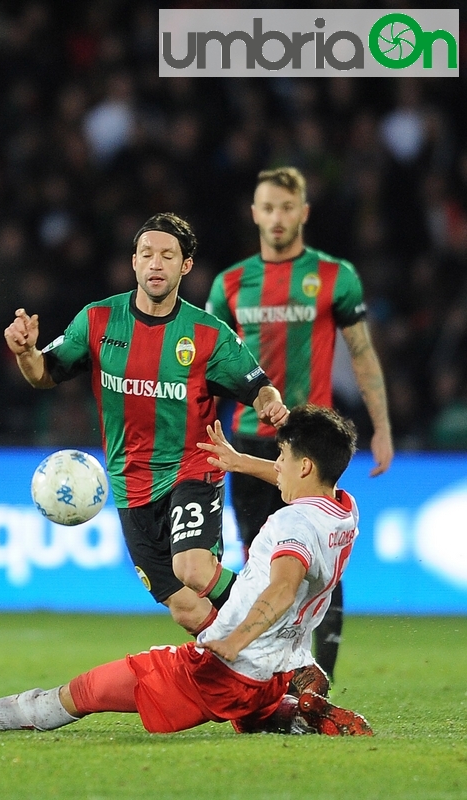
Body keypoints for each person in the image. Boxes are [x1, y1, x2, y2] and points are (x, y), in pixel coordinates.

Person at [0, 404, 372, 737]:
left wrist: (231, 642)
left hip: (228, 668)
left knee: (86, 692)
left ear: (306, 466)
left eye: (282, 456)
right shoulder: (342, 511)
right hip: (273, 671)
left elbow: (281, 590)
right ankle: (299, 713)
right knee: (252, 711)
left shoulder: (291, 523)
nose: (276, 465)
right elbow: (295, 484)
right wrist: (239, 462)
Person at [4, 213, 288, 637]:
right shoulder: (98, 321)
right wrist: (26, 352)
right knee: (187, 609)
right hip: (128, 481)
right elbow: (45, 373)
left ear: (185, 266)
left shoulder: (209, 335)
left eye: (168, 256)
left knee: (193, 568)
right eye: (147, 255)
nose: (156, 264)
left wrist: (271, 404)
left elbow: (260, 386)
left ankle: (284, 625)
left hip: (192, 468)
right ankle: (258, 666)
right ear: (134, 262)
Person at [206, 167, 393, 681]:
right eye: (268, 208)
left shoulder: (335, 276)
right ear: (254, 214)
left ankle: (319, 682)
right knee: (260, 561)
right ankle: (265, 673)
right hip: (248, 436)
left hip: (311, 442)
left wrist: (382, 427)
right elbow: (206, 365)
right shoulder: (230, 284)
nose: (277, 217)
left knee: (323, 568)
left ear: (304, 212)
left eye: (287, 208)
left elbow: (362, 354)